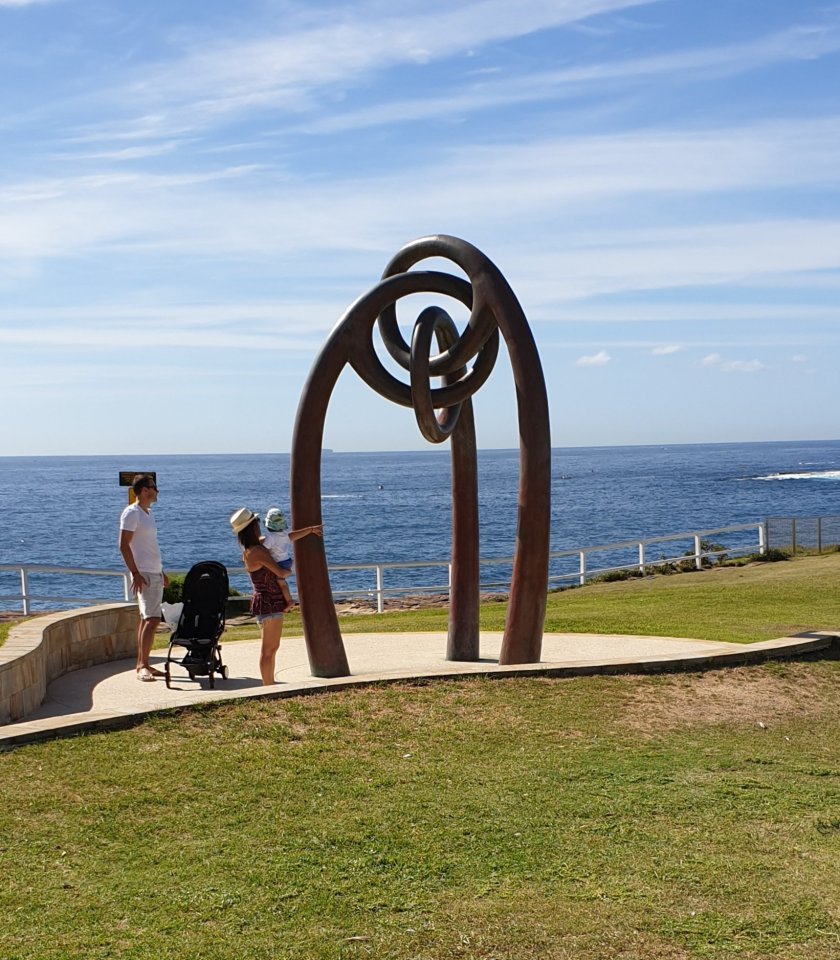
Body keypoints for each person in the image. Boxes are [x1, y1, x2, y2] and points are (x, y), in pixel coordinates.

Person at [229, 507, 323, 686]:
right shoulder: (257, 551)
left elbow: (285, 538)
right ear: (252, 527)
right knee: (269, 649)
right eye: (257, 523)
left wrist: (309, 530)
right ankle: (268, 685)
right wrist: (288, 571)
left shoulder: (253, 548)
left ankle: (269, 683)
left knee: (271, 648)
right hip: (268, 602)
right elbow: (279, 572)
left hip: (268, 601)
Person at [119, 474, 169, 682]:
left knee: (146, 619)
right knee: (152, 619)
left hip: (153, 572)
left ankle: (143, 663)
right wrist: (135, 573)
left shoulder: (147, 513)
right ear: (145, 490)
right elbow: (123, 545)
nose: (157, 491)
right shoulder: (132, 513)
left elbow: (148, 546)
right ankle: (142, 666)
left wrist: (160, 572)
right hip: (144, 574)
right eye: (154, 487)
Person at [261, 508, 295, 611]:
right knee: (282, 582)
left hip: (279, 562)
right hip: (287, 560)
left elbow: (263, 549)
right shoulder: (285, 534)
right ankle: (288, 599)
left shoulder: (270, 537)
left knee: (281, 582)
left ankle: (289, 601)